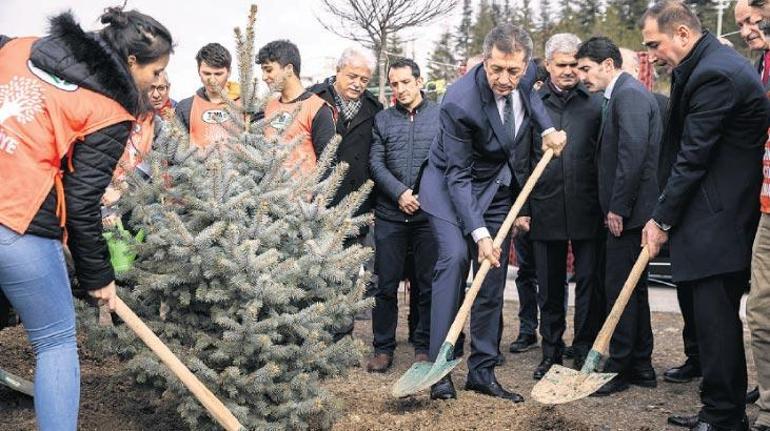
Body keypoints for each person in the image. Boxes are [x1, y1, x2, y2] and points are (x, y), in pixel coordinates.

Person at [0, 7, 172, 430]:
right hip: (18, 217)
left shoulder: (18, 48)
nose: (158, 83)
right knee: (55, 341)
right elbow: (81, 204)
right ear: (131, 62)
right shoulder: (109, 109)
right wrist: (99, 278)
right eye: (157, 71)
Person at [418, 23, 566, 402]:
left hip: (496, 187)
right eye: (495, 69)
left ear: (525, 65)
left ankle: (482, 371)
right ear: (484, 60)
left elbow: (532, 99)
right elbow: (457, 175)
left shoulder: (529, 72)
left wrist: (547, 127)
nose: (504, 79)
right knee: (453, 261)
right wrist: (479, 234)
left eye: (512, 71)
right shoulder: (459, 102)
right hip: (450, 185)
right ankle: (440, 370)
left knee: (492, 276)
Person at [640, 1, 770, 429]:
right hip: (710, 214)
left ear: (681, 34)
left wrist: (660, 219)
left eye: (654, 44)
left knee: (716, 322)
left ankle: (724, 417)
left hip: (719, 217)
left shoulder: (716, 73)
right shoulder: (704, 64)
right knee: (708, 318)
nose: (652, 53)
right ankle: (717, 407)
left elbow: (692, 157)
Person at [576, 36, 661, 396]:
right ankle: (641, 364)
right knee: (634, 288)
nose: (581, 76)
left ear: (607, 65)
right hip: (632, 211)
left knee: (620, 290)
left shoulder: (627, 94)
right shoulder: (622, 94)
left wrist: (618, 207)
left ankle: (621, 365)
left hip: (629, 214)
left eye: (585, 68)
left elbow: (633, 153)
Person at [517, 33, 605, 379]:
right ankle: (550, 352)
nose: (569, 71)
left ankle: (582, 348)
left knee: (589, 282)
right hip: (545, 207)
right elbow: (522, 158)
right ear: (548, 65)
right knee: (549, 286)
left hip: (588, 208)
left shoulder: (596, 103)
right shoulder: (532, 104)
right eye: (562, 64)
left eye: (574, 64)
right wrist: (522, 206)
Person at [365, 58, 438, 372]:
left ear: (419, 81)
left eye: (405, 82)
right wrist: (400, 193)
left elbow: (445, 159)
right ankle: (383, 348)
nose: (400, 89)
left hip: (428, 215)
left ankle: (423, 345)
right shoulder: (383, 120)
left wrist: (424, 195)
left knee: (426, 283)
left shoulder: (440, 117)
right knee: (385, 285)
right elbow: (376, 163)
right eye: (394, 84)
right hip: (390, 215)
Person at [257, 39, 335, 175]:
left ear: (289, 69)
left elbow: (326, 167)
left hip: (303, 194)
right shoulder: (266, 108)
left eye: (268, 70)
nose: (264, 77)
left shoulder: (318, 109)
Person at [176, 43, 240, 149]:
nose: (212, 80)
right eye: (207, 74)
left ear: (229, 72)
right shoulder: (185, 107)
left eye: (218, 74)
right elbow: (175, 151)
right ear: (198, 71)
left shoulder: (248, 105)